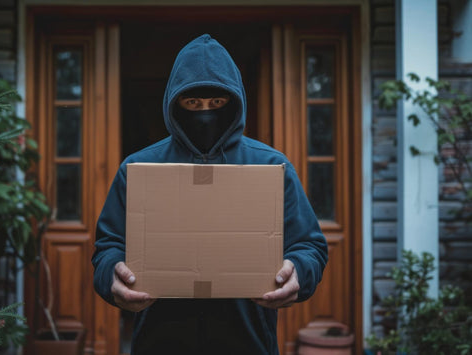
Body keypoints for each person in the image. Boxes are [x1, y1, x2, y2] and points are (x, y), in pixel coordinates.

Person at [92, 34, 328, 355]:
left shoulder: (272, 166)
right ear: (175, 105)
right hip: (160, 343)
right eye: (193, 104)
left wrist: (299, 271)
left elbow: (309, 245)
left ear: (234, 103)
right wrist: (112, 275)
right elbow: (108, 246)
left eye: (216, 104)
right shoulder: (138, 168)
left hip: (248, 341)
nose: (205, 113)